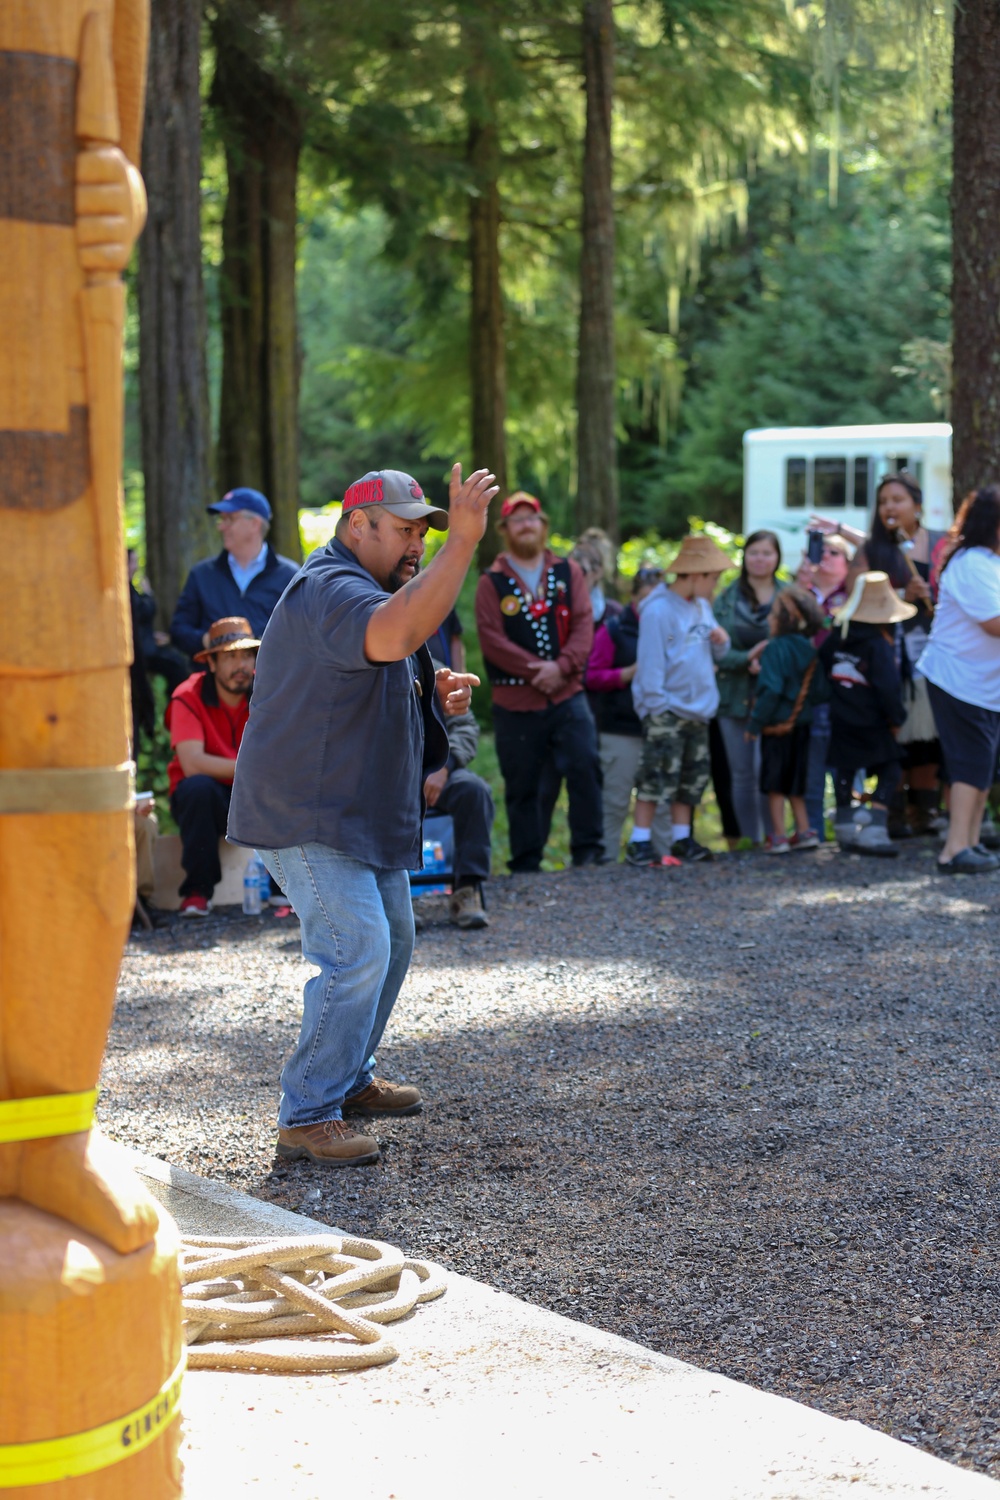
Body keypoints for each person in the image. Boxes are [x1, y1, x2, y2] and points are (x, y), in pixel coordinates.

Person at [228, 465, 497, 1167]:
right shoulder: (330, 587)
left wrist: (433, 690)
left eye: (424, 530)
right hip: (309, 812)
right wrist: (462, 542)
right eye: (404, 528)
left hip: (351, 811)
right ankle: (307, 1114)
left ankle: (346, 1079)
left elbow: (387, 654)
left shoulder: (363, 590)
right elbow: (395, 630)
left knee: (394, 940)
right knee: (357, 947)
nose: (417, 541)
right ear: (358, 525)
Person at [475, 492, 604, 871]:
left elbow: (583, 623)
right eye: (518, 520)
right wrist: (539, 671)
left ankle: (589, 853)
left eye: (533, 519)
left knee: (585, 766)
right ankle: (527, 863)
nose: (527, 525)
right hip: (515, 705)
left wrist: (561, 667)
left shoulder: (568, 572)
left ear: (544, 526)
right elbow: (491, 639)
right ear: (504, 530)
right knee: (523, 784)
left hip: (568, 696)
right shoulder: (491, 581)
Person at [842, 472, 945, 836]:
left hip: (934, 650)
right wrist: (902, 597)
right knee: (896, 729)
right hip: (888, 652)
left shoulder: (940, 543)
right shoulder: (871, 550)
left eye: (897, 500)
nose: (890, 507)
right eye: (884, 501)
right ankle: (894, 810)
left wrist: (929, 594)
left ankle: (927, 810)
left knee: (930, 734)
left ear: (916, 504)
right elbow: (856, 600)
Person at [625, 535, 731, 866]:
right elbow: (651, 663)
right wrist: (657, 706)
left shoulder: (702, 606)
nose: (716, 584)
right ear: (695, 575)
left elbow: (714, 650)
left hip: (698, 708)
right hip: (667, 708)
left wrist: (721, 642)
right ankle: (639, 841)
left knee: (691, 776)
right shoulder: (659, 610)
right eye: (713, 577)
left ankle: (682, 837)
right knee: (655, 774)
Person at [918, 487, 1000, 874]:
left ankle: (970, 842)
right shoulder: (972, 564)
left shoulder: (990, 562)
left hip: (982, 685)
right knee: (970, 763)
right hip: (957, 679)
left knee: (982, 764)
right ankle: (953, 850)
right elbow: (993, 623)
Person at [166, 616, 260, 916]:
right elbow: (193, 764)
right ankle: (197, 892)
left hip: (252, 796)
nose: (241, 666)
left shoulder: (267, 692)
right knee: (197, 788)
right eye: (230, 657)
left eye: (247, 655)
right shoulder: (188, 695)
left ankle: (288, 889)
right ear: (212, 664)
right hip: (206, 800)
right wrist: (258, 769)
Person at [818, 573, 914, 857]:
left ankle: (845, 825)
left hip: (841, 716)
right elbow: (888, 686)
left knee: (844, 768)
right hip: (872, 721)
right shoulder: (878, 645)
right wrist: (897, 719)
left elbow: (823, 661)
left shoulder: (839, 637)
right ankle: (876, 827)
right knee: (891, 767)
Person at [585, 566, 672, 860]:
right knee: (615, 802)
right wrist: (627, 674)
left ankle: (665, 861)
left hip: (661, 729)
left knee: (661, 803)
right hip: (620, 730)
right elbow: (592, 676)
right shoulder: (613, 629)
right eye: (645, 598)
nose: (651, 606)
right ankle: (607, 865)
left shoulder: (672, 625)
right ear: (633, 597)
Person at [713, 531, 786, 844]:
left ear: (777, 558)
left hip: (776, 698)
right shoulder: (726, 599)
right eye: (754, 552)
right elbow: (713, 651)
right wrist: (746, 659)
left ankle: (775, 837)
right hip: (734, 696)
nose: (760, 559)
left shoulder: (788, 596)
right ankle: (749, 841)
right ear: (745, 557)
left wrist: (769, 664)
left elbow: (799, 647)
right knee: (741, 775)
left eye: (766, 553)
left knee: (768, 773)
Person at [170, 487, 298, 662]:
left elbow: (304, 634)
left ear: (254, 524)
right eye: (221, 519)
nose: (221, 527)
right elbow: (178, 631)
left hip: (272, 686)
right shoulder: (201, 575)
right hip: (214, 686)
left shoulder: (290, 576)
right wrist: (207, 640)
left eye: (229, 519)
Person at [747, 587, 829, 853]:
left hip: (776, 727)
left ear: (781, 619)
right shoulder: (808, 649)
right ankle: (805, 831)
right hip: (802, 725)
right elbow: (820, 692)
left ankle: (779, 835)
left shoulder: (775, 649)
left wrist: (755, 723)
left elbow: (771, 690)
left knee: (775, 784)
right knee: (796, 781)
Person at [423, 656, 495, 928]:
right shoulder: (368, 665)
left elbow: (464, 726)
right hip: (386, 777)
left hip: (436, 770)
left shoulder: (433, 667)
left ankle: (466, 890)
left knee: (473, 791)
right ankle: (394, 900)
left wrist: (445, 766)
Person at [796, 533, 854, 839]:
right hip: (807, 692)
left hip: (848, 692)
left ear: (848, 562)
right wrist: (799, 585)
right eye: (821, 551)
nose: (826, 556)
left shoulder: (855, 594)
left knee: (848, 764)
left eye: (835, 552)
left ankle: (850, 830)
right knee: (811, 766)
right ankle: (812, 831)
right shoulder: (800, 591)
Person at [128, 548, 188, 695]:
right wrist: (148, 595)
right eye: (133, 562)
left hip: (145, 646)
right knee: (175, 665)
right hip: (141, 653)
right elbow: (142, 612)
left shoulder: (131, 589)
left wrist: (151, 635)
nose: (136, 566)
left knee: (178, 664)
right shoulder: (125, 589)